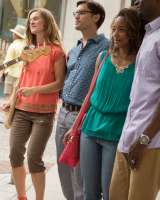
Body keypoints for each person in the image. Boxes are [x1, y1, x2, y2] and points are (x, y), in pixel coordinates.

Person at [65, 8, 142, 200]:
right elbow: (90, 95)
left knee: (110, 194)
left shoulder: (140, 63)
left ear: (133, 31)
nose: (115, 35)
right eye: (114, 29)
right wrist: (75, 128)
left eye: (122, 29)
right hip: (89, 130)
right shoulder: (103, 57)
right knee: (89, 192)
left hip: (116, 133)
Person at [3, 8, 66, 200]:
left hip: (43, 113)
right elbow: (22, 78)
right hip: (22, 109)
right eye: (31, 19)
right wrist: (12, 100)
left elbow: (59, 83)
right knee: (14, 154)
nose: (32, 21)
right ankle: (22, 196)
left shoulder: (56, 51)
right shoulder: (28, 49)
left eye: (36, 18)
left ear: (47, 23)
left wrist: (34, 90)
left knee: (33, 158)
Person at [55, 1, 108, 200]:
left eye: (81, 13)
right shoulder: (75, 49)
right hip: (63, 114)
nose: (76, 16)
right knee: (63, 169)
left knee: (80, 176)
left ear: (96, 17)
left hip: (83, 116)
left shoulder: (106, 48)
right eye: (75, 13)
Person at [109, 0, 160, 199]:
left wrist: (144, 139)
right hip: (128, 137)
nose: (136, 1)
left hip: (149, 141)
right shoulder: (148, 33)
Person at [0, 24, 26, 123]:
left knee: (8, 96)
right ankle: (13, 118)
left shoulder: (14, 45)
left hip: (12, 73)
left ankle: (7, 118)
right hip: (22, 74)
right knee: (15, 97)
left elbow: (8, 61)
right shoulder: (26, 44)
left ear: (17, 35)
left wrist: (0, 73)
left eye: (13, 33)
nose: (12, 35)